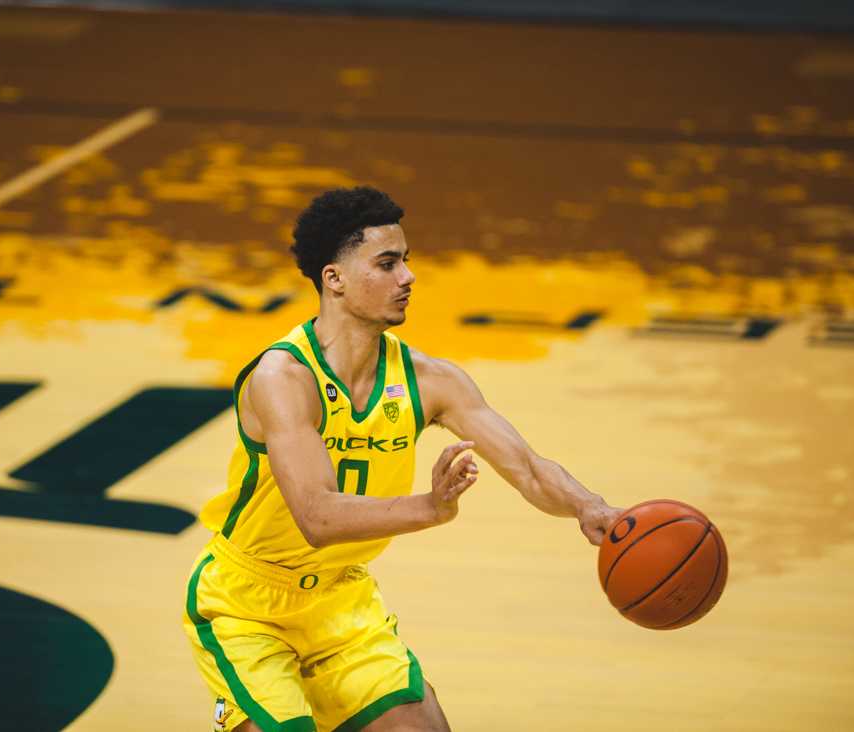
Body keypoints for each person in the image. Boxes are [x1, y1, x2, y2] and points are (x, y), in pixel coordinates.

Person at [183, 186, 623, 732]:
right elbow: (316, 517)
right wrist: (430, 508)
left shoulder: (430, 379)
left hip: (340, 599)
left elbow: (528, 468)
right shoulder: (284, 379)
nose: (408, 277)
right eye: (387, 264)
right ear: (334, 279)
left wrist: (589, 506)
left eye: (406, 262)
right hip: (247, 607)